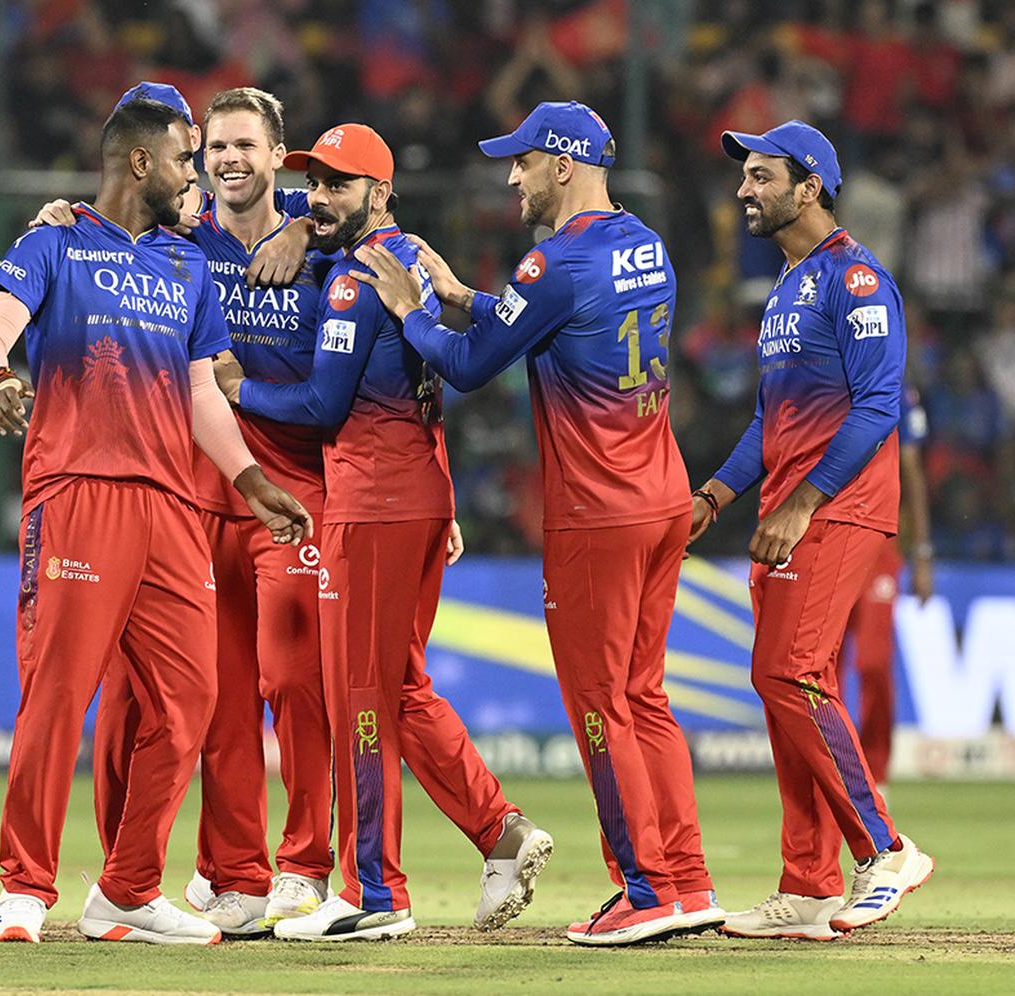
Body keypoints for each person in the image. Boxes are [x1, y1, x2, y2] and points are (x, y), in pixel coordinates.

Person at [352, 100, 722, 947]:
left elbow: (472, 368)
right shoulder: (643, 244)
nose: (510, 177)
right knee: (644, 697)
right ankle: (690, 879)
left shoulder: (552, 260)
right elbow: (559, 324)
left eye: (521, 162)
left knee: (599, 703)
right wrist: (463, 294)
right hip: (663, 495)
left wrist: (416, 308)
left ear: (562, 163)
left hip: (597, 513)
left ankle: (645, 888)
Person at [0, 96, 311, 944]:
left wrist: (253, 479)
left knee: (191, 700)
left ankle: (126, 889)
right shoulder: (55, 242)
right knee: (57, 693)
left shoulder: (186, 268)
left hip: (171, 508)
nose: (195, 176)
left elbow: (200, 393)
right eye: (185, 160)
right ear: (141, 164)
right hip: (77, 493)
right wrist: (1, 381)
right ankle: (25, 890)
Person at [216, 123, 552, 941]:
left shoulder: (354, 281)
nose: (321, 198)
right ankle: (498, 832)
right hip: (415, 493)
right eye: (314, 185)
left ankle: (377, 893)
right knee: (396, 687)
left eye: (336, 186)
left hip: (372, 502)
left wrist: (237, 387)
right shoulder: (398, 258)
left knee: (360, 694)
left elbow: (322, 407)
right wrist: (298, 224)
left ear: (379, 191)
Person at [689, 120, 934, 940]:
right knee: (783, 682)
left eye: (760, 177)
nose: (743, 191)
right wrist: (716, 497)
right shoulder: (789, 287)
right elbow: (772, 419)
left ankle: (886, 850)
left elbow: (877, 405)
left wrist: (804, 502)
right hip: (782, 512)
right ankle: (806, 885)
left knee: (789, 672)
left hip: (837, 509)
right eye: (745, 176)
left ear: (810, 186)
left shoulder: (857, 278)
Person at [839, 383, 934, 789]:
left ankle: (875, 776)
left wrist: (923, 553)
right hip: (830, 535)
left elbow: (910, 468)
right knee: (823, 667)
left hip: (880, 541)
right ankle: (833, 771)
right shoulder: (824, 380)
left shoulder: (895, 389)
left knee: (872, 662)